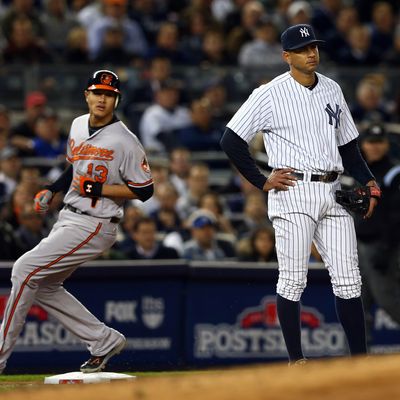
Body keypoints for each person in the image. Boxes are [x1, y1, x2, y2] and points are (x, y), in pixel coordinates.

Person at [220, 24, 381, 365]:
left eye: (314, 47)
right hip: (293, 191)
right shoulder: (269, 93)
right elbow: (231, 140)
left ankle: (360, 363)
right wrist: (261, 180)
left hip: (333, 188)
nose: (312, 53)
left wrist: (369, 181)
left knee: (350, 280)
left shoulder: (333, 89)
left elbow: (349, 146)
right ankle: (296, 361)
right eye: (303, 49)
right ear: (287, 56)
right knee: (293, 279)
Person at [0, 69, 154, 374]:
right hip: (69, 215)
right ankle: (103, 340)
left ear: (116, 100)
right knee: (43, 284)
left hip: (97, 222)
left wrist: (100, 189)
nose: (102, 98)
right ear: (87, 95)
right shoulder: (77, 124)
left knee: (24, 269)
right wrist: (52, 189)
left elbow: (145, 190)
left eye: (109, 95)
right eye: (97, 92)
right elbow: (75, 166)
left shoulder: (126, 141)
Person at [353, 123, 400, 343]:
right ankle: (355, 361)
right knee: (356, 305)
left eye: (379, 142)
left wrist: (387, 247)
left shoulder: (394, 172)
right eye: (371, 142)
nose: (375, 147)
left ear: (386, 145)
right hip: (356, 248)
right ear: (363, 144)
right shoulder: (358, 173)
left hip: (382, 246)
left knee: (391, 303)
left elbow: (396, 215)